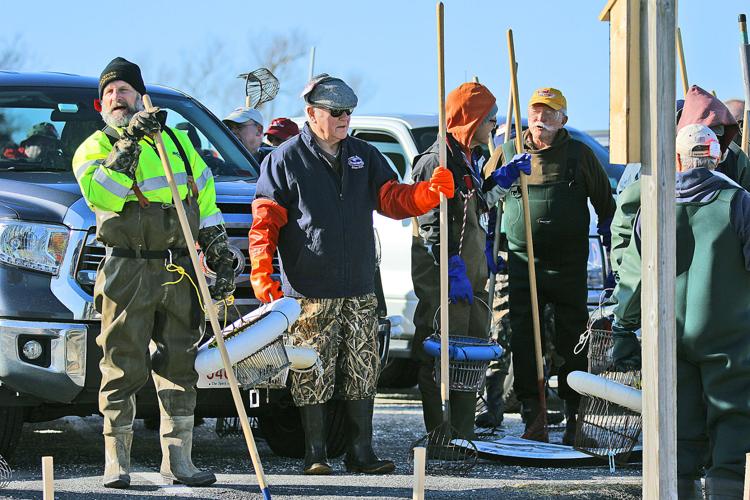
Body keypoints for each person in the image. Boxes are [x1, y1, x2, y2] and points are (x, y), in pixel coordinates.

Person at [249, 73, 454, 475]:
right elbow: (265, 221)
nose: (346, 119)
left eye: (349, 112)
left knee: (362, 368)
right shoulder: (284, 159)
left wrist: (426, 194)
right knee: (312, 369)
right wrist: (261, 271)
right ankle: (316, 454)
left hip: (359, 286)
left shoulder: (363, 155)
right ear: (312, 113)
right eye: (338, 112)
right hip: (309, 289)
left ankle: (360, 452)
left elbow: (392, 198)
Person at [72, 57, 235, 489]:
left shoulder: (179, 144)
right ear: (100, 105)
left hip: (178, 268)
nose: (116, 98)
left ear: (142, 97)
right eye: (108, 93)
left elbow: (207, 205)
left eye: (123, 90)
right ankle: (117, 461)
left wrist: (219, 254)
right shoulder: (94, 148)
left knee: (180, 362)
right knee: (121, 362)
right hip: (127, 266)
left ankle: (179, 461)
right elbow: (102, 196)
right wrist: (129, 142)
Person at [611, 124, 750, 500]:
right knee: (734, 422)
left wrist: (624, 329)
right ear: (718, 156)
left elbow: (633, 279)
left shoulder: (653, 207)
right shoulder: (740, 203)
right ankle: (726, 490)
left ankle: (680, 491)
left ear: (676, 159)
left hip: (669, 337)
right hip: (729, 339)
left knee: (679, 426)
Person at [485, 87, 616, 444]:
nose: (541, 118)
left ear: (563, 120)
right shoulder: (508, 152)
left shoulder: (580, 155)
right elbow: (482, 200)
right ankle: (533, 414)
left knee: (573, 340)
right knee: (525, 340)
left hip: (568, 265)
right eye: (536, 111)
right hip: (523, 264)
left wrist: (611, 245)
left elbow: (607, 206)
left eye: (550, 112)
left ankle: (575, 415)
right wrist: (489, 238)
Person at [411, 82, 519, 442]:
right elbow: (431, 222)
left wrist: (501, 181)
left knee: (469, 352)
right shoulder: (436, 161)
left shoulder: (467, 159)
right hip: (444, 275)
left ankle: (462, 432)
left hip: (473, 276)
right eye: (489, 119)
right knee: (439, 351)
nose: (494, 126)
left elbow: (478, 207)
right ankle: (440, 434)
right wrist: (451, 265)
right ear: (471, 120)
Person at [610, 86, 750, 343]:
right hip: (667, 310)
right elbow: (626, 234)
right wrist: (627, 288)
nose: (710, 141)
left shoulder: (737, 174)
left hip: (723, 311)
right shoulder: (650, 176)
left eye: (718, 136)